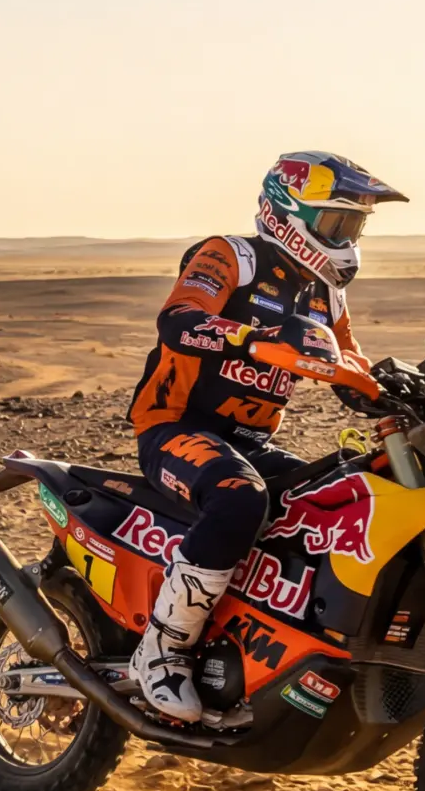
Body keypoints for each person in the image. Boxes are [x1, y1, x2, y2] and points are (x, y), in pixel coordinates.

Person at [121, 152, 405, 724]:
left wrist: (397, 391)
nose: (347, 237)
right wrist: (255, 338)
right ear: (288, 214)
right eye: (336, 223)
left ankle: (263, 653)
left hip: (250, 441)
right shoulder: (231, 257)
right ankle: (163, 648)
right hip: (177, 427)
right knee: (239, 497)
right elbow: (178, 319)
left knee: (338, 498)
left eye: (354, 226)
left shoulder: (327, 294)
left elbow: (347, 366)